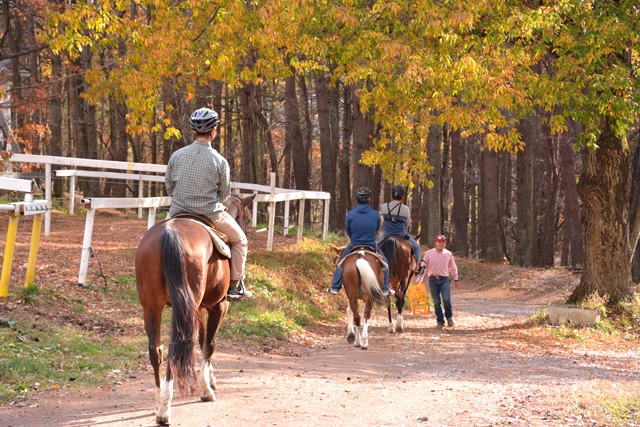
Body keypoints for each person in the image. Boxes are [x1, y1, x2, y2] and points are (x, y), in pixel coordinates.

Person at [165, 107, 251, 301]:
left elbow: (169, 189)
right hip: (210, 214)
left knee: (154, 236)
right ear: (214, 131)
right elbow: (224, 195)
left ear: (194, 131)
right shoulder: (219, 161)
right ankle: (235, 285)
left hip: (176, 213)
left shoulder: (176, 156)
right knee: (240, 241)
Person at [326, 187, 392, 297]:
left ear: (356, 199)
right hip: (371, 244)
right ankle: (385, 288)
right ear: (368, 199)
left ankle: (335, 287)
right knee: (385, 263)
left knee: (340, 263)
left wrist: (355, 239)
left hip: (354, 244)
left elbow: (349, 230)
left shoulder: (350, 214)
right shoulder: (376, 214)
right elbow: (376, 230)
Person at [415, 234, 459, 329]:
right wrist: (419, 279)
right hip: (433, 280)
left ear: (445, 244)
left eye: (443, 242)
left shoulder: (448, 254)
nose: (441, 244)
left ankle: (449, 317)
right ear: (435, 242)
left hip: (444, 280)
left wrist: (456, 279)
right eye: (439, 242)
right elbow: (423, 267)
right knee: (436, 302)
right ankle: (440, 321)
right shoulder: (429, 253)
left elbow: (453, 267)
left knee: (446, 299)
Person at [378, 184, 424, 275]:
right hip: (401, 234)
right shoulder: (406, 209)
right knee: (416, 247)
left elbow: (382, 219)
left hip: (386, 234)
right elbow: (407, 223)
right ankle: (418, 267)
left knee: (375, 248)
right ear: (402, 196)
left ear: (392, 195)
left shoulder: (384, 206)